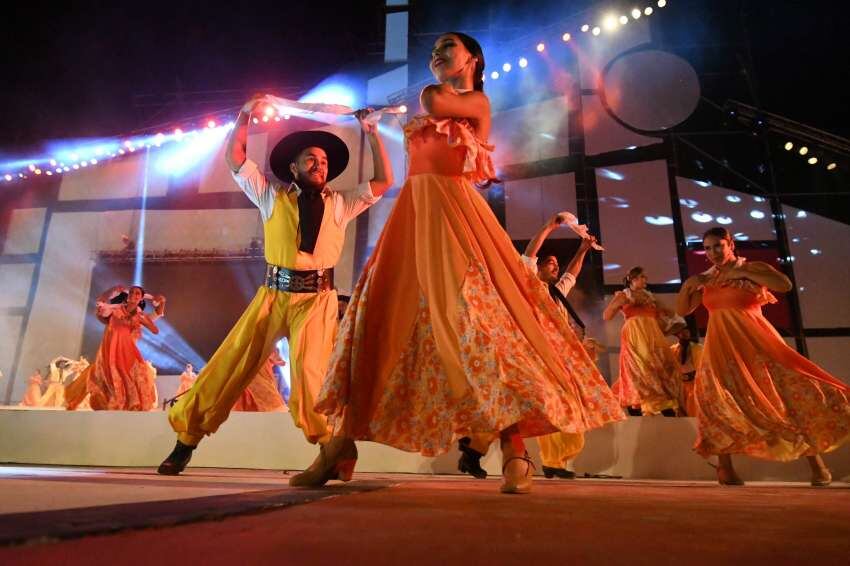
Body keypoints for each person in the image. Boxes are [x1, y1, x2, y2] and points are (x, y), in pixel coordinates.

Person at [314, 33, 622, 494]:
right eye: (433, 49)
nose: (436, 54)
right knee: (374, 321)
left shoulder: (470, 101)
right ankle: (339, 447)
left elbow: (435, 104)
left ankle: (515, 450)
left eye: (447, 47)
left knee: (479, 325)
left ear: (472, 59)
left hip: (454, 217)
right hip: (412, 218)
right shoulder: (438, 104)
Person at [156, 95, 393, 477]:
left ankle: (332, 450)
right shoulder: (270, 195)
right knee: (229, 363)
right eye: (311, 159)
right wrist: (245, 115)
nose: (320, 165)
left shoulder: (341, 203)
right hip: (273, 294)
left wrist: (371, 132)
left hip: (317, 300)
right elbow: (235, 156)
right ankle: (186, 440)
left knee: (312, 375)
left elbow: (384, 181)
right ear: (293, 166)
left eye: (325, 161)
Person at [677, 227, 850, 486]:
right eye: (708, 248)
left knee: (784, 397)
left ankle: (818, 467)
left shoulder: (752, 268)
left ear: (730, 244)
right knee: (717, 401)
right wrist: (688, 286)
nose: (713, 252)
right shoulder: (707, 278)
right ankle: (725, 469)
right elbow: (683, 309)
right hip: (721, 347)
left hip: (758, 343)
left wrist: (742, 272)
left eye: (718, 246)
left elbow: (785, 285)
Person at [458, 212, 602, 480]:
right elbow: (529, 254)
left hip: (550, 360)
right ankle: (481, 449)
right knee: (520, 403)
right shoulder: (525, 286)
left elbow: (572, 273)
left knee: (548, 406)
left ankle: (476, 449)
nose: (555, 266)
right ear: (535, 269)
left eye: (556, 264)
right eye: (549, 262)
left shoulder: (556, 296)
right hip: (524, 355)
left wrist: (582, 249)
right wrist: (549, 225)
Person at [604, 266, 680, 416]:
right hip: (635, 335)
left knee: (660, 367)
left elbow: (668, 312)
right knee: (640, 369)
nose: (645, 280)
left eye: (645, 277)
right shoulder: (624, 295)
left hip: (652, 335)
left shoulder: (650, 296)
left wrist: (662, 309)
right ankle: (639, 409)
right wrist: (625, 302)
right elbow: (607, 315)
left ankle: (666, 410)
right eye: (642, 277)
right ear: (633, 279)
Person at [76, 286, 164, 411]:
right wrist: (111, 290)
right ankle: (113, 402)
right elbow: (100, 305)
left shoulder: (140, 315)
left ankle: (128, 404)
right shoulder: (115, 310)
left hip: (127, 350)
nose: (133, 294)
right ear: (127, 296)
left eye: (137, 293)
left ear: (141, 298)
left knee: (130, 376)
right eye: (131, 292)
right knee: (109, 375)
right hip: (111, 349)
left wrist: (155, 307)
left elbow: (155, 328)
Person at [668, 321, 702, 417]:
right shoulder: (672, 349)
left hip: (694, 384)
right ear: (677, 334)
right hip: (679, 385)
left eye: (686, 331)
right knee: (680, 412)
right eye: (681, 331)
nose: (684, 334)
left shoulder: (698, 348)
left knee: (693, 411)